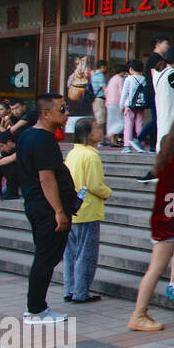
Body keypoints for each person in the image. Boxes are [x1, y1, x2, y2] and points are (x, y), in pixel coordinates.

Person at [127, 116, 174, 331]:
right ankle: (139, 313)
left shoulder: (169, 159)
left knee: (160, 266)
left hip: (171, 221)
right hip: (172, 222)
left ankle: (141, 312)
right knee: (157, 267)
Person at [16, 94, 76, 325]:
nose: (66, 113)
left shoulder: (28, 135)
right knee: (45, 257)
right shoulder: (42, 139)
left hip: (37, 205)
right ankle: (36, 309)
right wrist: (59, 211)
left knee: (45, 256)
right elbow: (46, 178)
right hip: (46, 208)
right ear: (46, 113)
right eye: (62, 109)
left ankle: (37, 307)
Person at [62, 119, 111, 304]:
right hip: (88, 209)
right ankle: (81, 292)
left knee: (71, 254)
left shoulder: (73, 153)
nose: (100, 131)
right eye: (97, 128)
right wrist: (108, 193)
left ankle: (70, 289)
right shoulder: (91, 156)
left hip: (74, 208)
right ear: (89, 134)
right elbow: (95, 185)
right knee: (86, 254)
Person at [153, 46, 174, 150]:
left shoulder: (158, 70)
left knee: (163, 132)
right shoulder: (171, 73)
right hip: (172, 109)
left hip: (162, 107)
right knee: (171, 133)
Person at [140, 36, 171, 150]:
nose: (167, 46)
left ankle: (153, 145)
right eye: (165, 44)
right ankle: (139, 138)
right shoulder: (154, 58)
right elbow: (155, 77)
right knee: (158, 118)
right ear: (158, 44)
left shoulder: (158, 57)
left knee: (157, 118)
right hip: (153, 92)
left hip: (154, 92)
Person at [120, 60, 149, 153]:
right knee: (139, 124)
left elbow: (125, 93)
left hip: (130, 106)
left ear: (130, 69)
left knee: (128, 124)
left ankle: (127, 146)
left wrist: (121, 105)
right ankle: (140, 143)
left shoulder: (129, 79)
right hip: (141, 105)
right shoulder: (144, 79)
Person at [103, 63, 127, 147]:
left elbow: (106, 92)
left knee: (112, 122)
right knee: (121, 122)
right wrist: (123, 104)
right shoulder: (120, 79)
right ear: (123, 71)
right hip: (117, 103)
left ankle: (113, 140)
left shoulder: (112, 79)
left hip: (109, 103)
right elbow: (122, 92)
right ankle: (109, 135)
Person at [89, 59, 108, 137]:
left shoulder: (93, 75)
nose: (107, 69)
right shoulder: (100, 75)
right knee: (100, 119)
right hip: (99, 99)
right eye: (106, 67)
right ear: (102, 67)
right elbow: (104, 89)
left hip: (94, 98)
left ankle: (101, 137)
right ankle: (97, 137)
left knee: (98, 117)